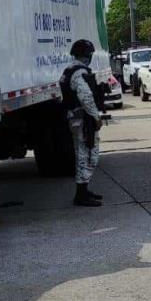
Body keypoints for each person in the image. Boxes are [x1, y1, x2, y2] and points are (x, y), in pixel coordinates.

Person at [60, 39, 104, 207]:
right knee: (87, 155)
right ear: (86, 55)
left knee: (84, 154)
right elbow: (86, 97)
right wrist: (95, 117)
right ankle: (81, 194)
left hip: (77, 119)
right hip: (83, 120)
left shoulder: (70, 70)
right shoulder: (79, 73)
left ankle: (84, 190)